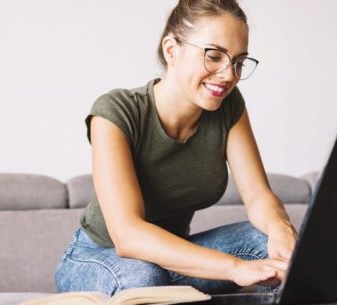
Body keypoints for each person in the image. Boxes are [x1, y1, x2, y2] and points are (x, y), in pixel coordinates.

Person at [55, 0, 297, 296]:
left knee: (268, 248)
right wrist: (234, 268)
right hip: (99, 256)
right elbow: (127, 235)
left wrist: (281, 230)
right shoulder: (115, 112)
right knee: (143, 276)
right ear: (171, 50)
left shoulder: (228, 106)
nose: (228, 74)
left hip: (174, 259)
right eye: (214, 55)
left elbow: (258, 194)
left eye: (238, 62)